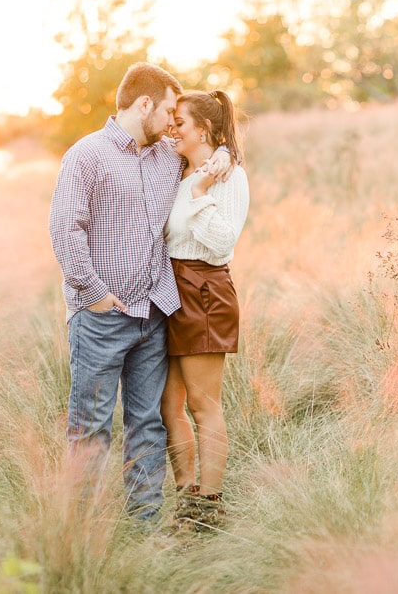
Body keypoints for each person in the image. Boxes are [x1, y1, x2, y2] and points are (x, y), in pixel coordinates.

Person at [48, 63, 232, 523]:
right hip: (101, 316)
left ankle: (144, 529)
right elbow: (64, 228)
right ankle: (80, 532)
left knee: (147, 425)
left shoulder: (167, 157)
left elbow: (205, 150)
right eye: (169, 110)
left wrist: (225, 154)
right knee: (90, 429)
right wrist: (94, 295)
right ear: (144, 104)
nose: (174, 122)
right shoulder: (86, 155)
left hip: (154, 315)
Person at [160, 89, 249, 531]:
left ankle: (209, 508)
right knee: (167, 405)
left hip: (205, 289)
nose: (172, 127)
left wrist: (200, 191)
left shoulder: (227, 177)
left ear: (205, 130)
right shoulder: (179, 168)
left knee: (202, 403)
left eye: (180, 120)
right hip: (171, 290)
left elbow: (221, 243)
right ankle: (186, 496)